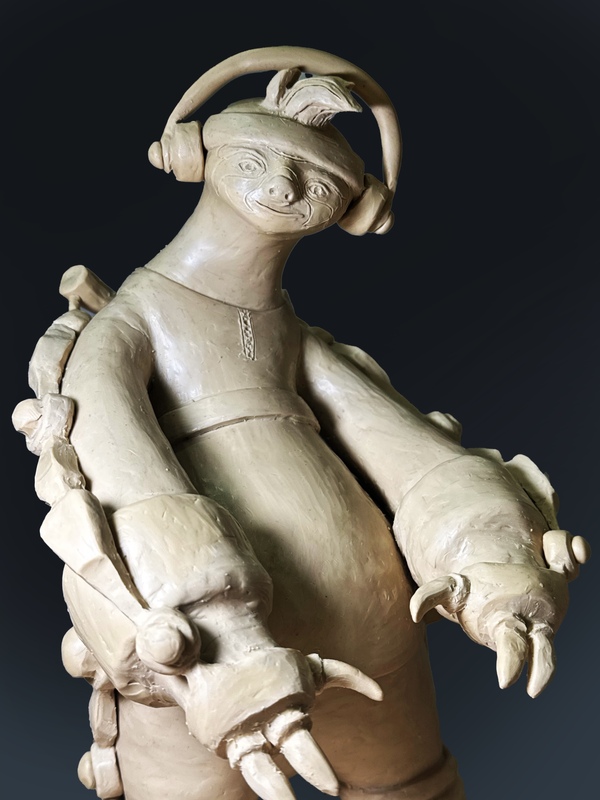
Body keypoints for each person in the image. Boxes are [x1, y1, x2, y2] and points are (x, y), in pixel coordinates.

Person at [13, 48, 587, 800]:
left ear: (355, 210)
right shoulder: (129, 325)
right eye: (255, 161)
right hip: (214, 653)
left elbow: (412, 456)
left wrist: (492, 565)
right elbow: (118, 465)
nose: (283, 187)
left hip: (376, 631)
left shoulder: (299, 343)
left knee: (413, 787)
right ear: (195, 156)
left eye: (319, 184)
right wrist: (215, 637)